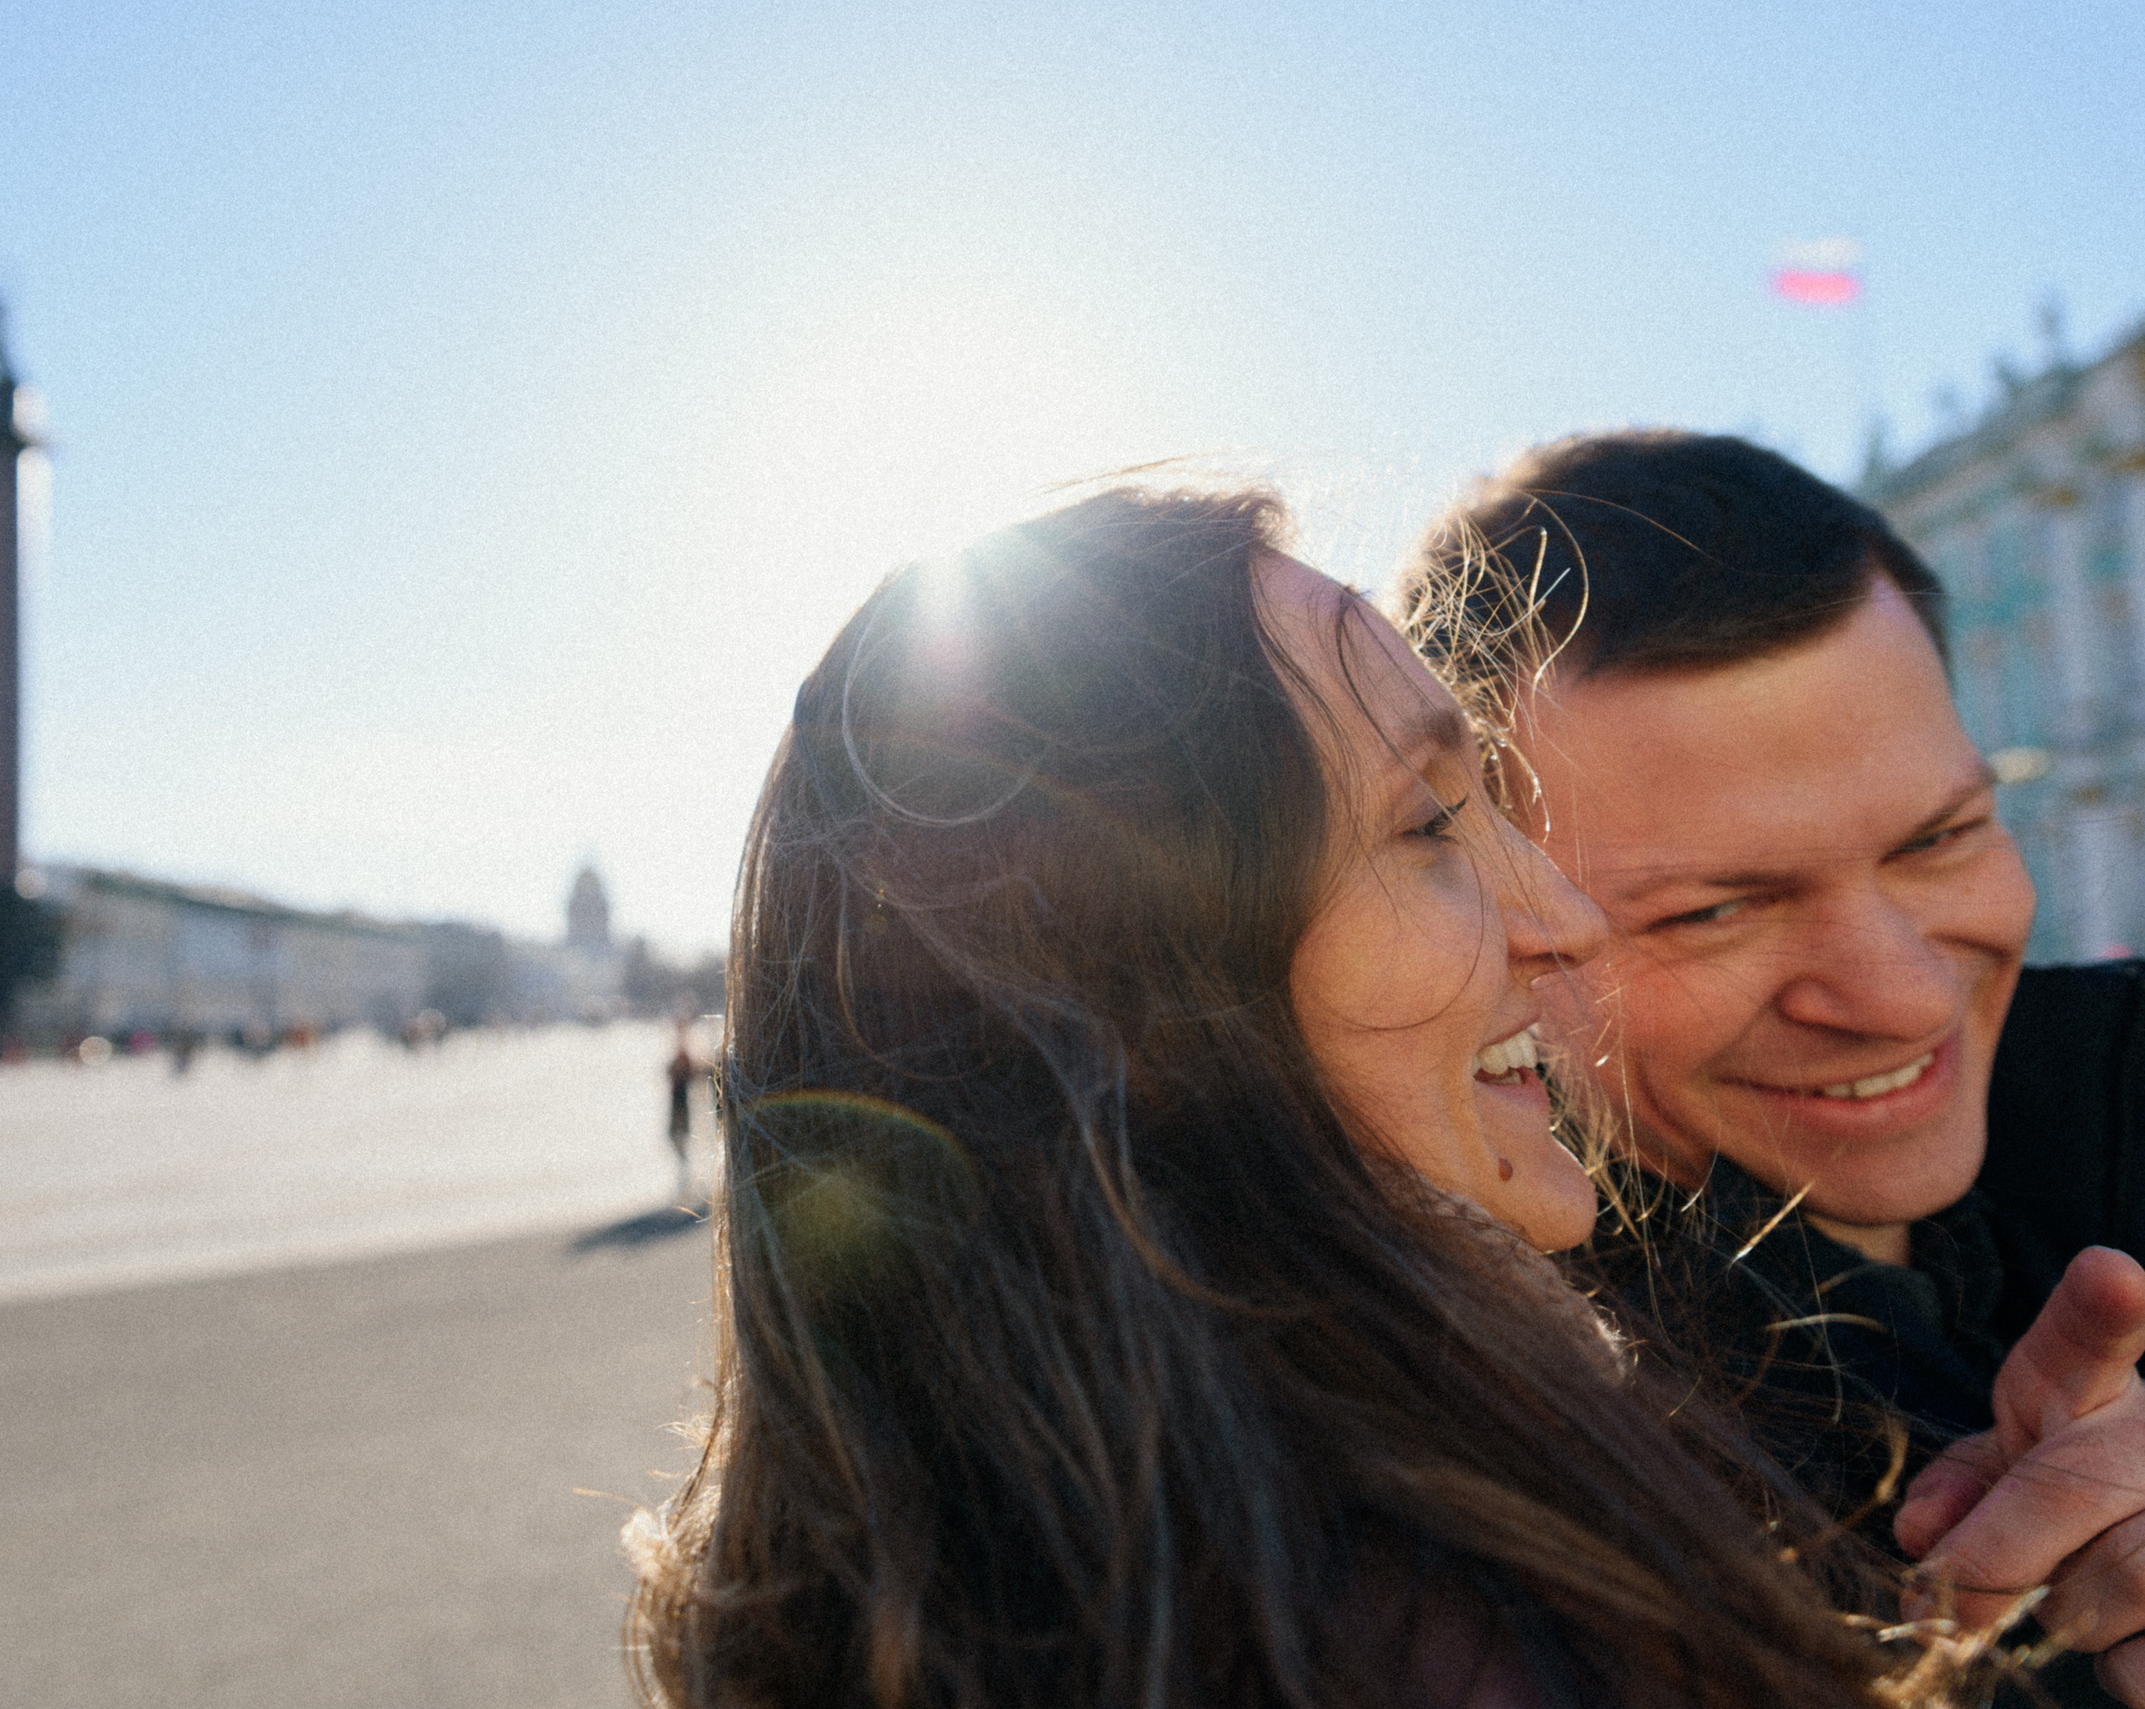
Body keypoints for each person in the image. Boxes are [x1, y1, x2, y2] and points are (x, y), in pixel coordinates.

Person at [626, 486, 1937, 1708]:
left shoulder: (979, 1579)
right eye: (1427, 826)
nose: (1567, 917)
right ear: (1133, 994)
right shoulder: (1435, 1633)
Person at [1401, 429, 2145, 1707]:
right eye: (1710, 912)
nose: (1902, 992)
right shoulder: (1495, 1479)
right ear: (1503, 930)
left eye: (1941, 837)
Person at [665, 1021, 707, 1201]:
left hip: (682, 1103)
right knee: (677, 1137)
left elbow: (692, 1074)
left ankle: (689, 1175)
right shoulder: (680, 1054)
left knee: (678, 1136)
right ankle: (687, 1174)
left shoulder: (685, 1056)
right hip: (678, 1102)